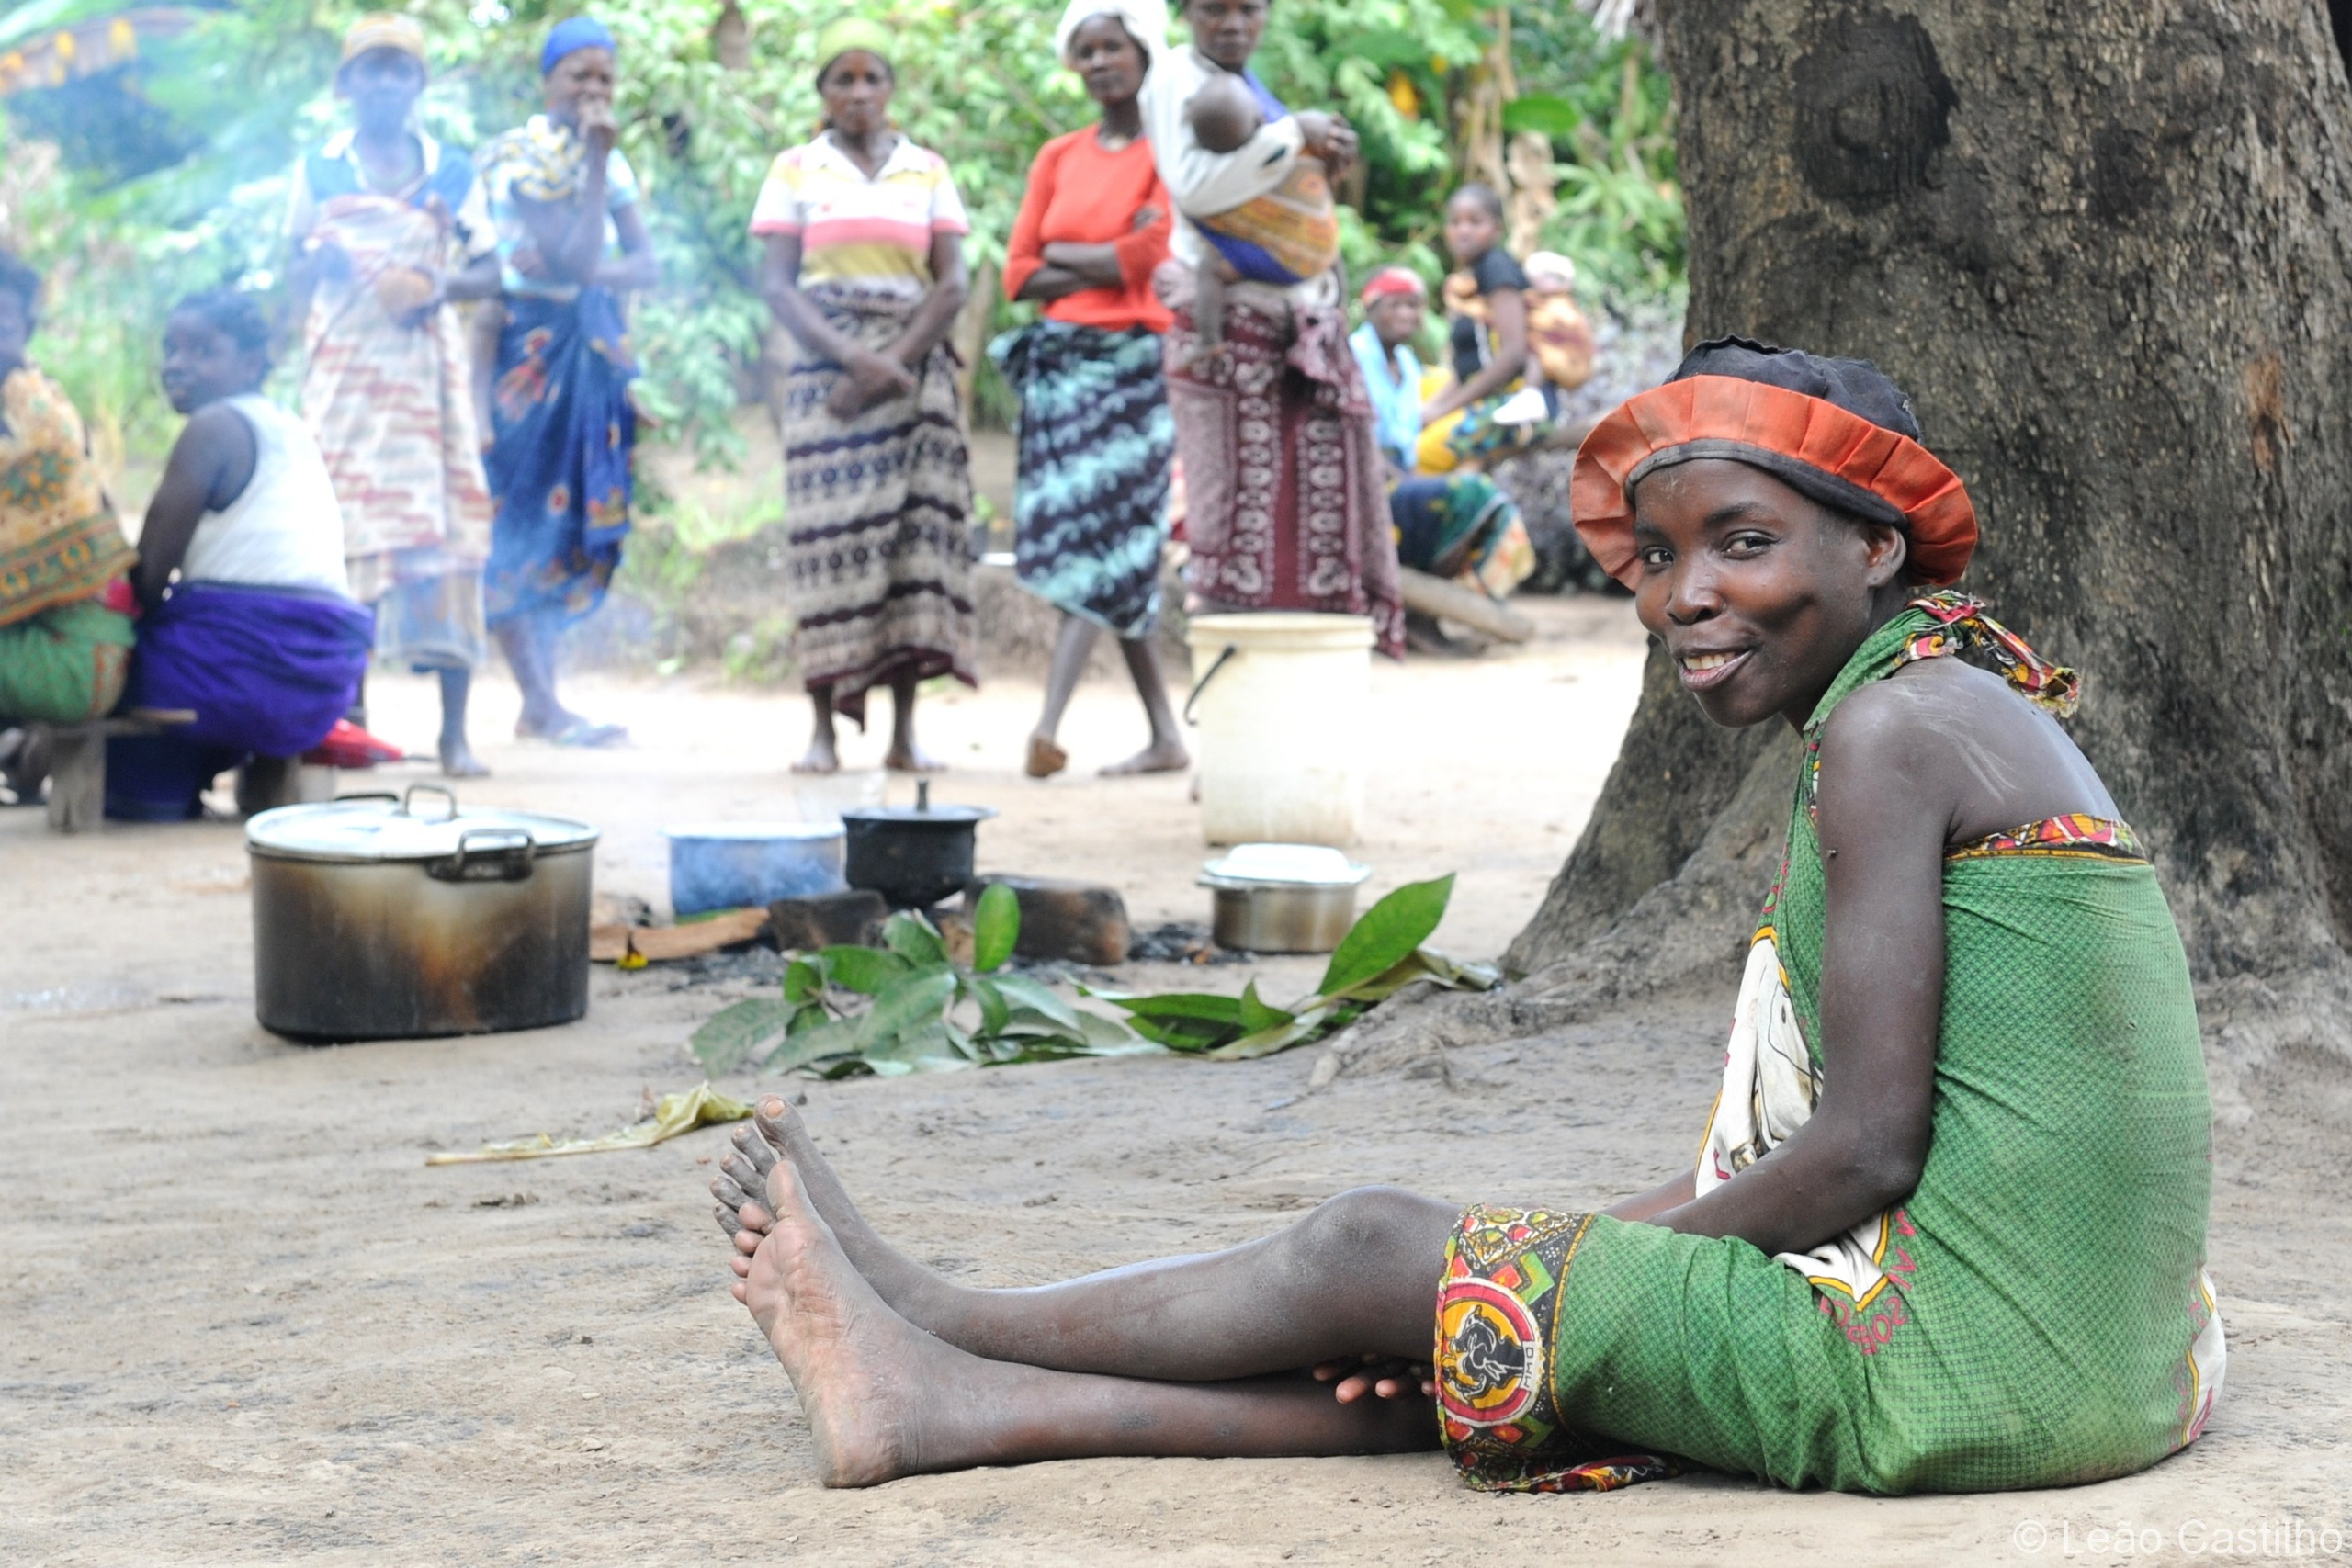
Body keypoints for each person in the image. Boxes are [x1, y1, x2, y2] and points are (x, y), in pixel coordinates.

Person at [708, 337, 2224, 1496]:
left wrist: (1518, 1272)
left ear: (1875, 547)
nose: (1681, 595)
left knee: (1375, 1247)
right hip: (2088, 1359)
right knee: (1460, 1298)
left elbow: (1867, 1152)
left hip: (1967, 1370)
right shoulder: (1939, 698)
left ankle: (945, 1311)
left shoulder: (1893, 735)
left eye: (1741, 543)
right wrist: (1535, 1274)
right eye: (1653, 558)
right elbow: (1873, 1157)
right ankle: (950, 1393)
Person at [1140, 0, 1403, 655]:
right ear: (1186, 13)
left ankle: (1299, 659)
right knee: (1232, 514)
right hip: (1230, 333)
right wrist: (1294, 134)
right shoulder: (1178, 75)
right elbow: (1197, 189)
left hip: (1295, 322)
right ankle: (1237, 661)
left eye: (1248, 9)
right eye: (1213, 9)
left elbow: (1273, 184)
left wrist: (1317, 158)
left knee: (1311, 516)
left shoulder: (1246, 86)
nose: (1232, 23)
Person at [754, 17, 978, 774]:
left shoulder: (927, 169)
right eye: (841, 80)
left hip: (915, 380)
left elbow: (952, 283)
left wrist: (892, 361)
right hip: (827, 378)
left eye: (870, 78)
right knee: (828, 550)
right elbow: (777, 287)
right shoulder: (795, 169)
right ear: (822, 92)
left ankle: (905, 734)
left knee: (913, 551)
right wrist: (853, 358)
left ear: (890, 89)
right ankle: (822, 729)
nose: (857, 93)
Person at [287, 13, 500, 776]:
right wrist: (332, 259)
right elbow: (292, 268)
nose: (384, 82)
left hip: (426, 385)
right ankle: (352, 717)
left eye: (398, 69)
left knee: (451, 540)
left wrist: (435, 282)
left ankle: (454, 733)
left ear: (420, 83)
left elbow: (491, 272)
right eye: (369, 69)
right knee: (347, 546)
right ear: (345, 86)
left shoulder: (452, 172)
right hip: (345, 381)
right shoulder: (321, 170)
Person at [994, 1, 1186, 780]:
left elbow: (1155, 250)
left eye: (1115, 46)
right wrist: (1110, 256)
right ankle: (1166, 736)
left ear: (1144, 52)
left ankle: (1047, 724)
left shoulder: (1168, 150)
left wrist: (1069, 257)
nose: (1101, 61)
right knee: (1113, 549)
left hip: (1139, 368)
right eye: (1087, 50)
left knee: (1111, 540)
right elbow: (1016, 273)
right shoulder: (1057, 156)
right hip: (1062, 371)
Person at [106, 293, 374, 821]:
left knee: (119, 652)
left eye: (202, 350)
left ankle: (151, 786)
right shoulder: (290, 428)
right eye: (171, 349)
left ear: (251, 365)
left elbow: (150, 573)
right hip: (319, 678)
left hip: (234, 671)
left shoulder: (212, 427)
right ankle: (230, 767)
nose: (177, 364)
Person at [473, 16, 658, 749]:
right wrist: (594, 168)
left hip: (590, 356)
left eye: (605, 77)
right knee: (518, 520)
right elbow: (577, 256)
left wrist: (591, 271)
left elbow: (640, 265)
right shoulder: (525, 158)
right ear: (546, 80)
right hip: (526, 355)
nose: (592, 90)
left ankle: (543, 700)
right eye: (578, 74)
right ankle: (540, 698)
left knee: (572, 521)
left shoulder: (609, 162)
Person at [0, 252, 137, 802]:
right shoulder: (42, 402)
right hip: (80, 644)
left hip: (76, 656)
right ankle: (19, 751)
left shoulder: (39, 422)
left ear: (26, 329)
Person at [1174, 60, 1341, 369]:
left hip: (1280, 263)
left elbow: (1197, 212)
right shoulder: (1289, 147)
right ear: (1259, 116)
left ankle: (1209, 339)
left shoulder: (1215, 186)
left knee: (1211, 269)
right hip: (1321, 255)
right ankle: (1340, 310)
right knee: (1326, 232)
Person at [1416, 183, 1541, 475]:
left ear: (1497, 229)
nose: (1463, 230)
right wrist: (1432, 408)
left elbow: (1513, 356)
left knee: (1423, 454)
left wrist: (1441, 411)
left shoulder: (1497, 269)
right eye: (1455, 222)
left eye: (1475, 222)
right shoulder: (1473, 275)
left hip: (1514, 403)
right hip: (1491, 396)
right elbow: (1468, 367)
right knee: (1416, 392)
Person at [1348, 266, 1427, 476]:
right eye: (1394, 305)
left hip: (1404, 469)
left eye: (1413, 305)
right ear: (1370, 309)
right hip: (1366, 471)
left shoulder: (1408, 362)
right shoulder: (1353, 354)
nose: (1406, 314)